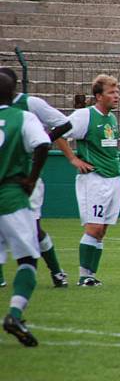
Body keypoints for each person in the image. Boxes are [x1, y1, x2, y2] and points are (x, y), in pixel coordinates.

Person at [0, 67, 72, 288]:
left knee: (33, 227)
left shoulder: (30, 105)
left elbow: (65, 123)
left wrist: (44, 138)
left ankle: (57, 272)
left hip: (23, 179)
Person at [55, 74, 120, 287]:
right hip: (94, 179)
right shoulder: (85, 115)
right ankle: (84, 277)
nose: (117, 95)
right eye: (112, 92)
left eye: (117, 91)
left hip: (113, 178)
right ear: (99, 96)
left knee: (102, 230)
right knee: (93, 228)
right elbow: (58, 133)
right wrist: (73, 158)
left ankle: (91, 275)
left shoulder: (111, 117)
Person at [0, 72, 51, 346]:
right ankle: (16, 314)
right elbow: (43, 143)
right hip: (10, 196)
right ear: (13, 93)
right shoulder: (23, 117)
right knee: (28, 258)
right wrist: (31, 178)